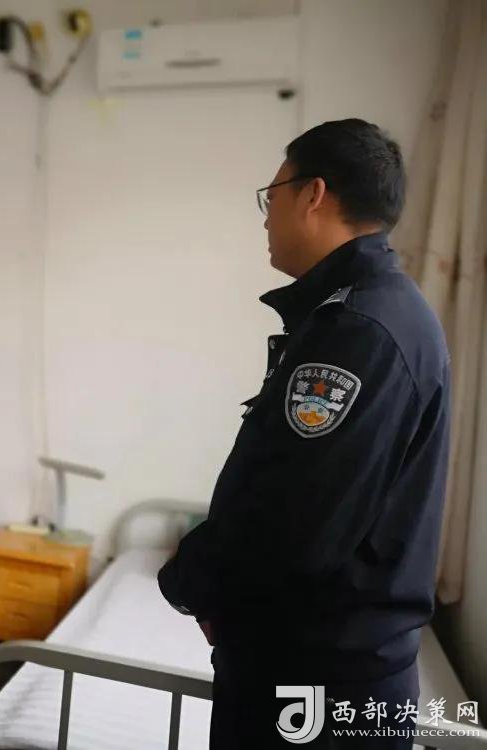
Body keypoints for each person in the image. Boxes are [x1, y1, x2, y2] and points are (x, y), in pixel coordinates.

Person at [158, 119, 450, 748]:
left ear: (313, 194)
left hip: (315, 680)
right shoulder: (378, 311)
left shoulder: (358, 331)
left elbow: (297, 522)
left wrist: (193, 582)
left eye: (273, 195)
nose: (267, 217)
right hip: (327, 664)